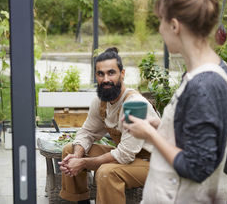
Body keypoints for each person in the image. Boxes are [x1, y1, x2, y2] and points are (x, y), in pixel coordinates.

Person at [124, 0, 227, 204]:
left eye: (160, 21)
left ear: (174, 25)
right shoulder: (211, 70)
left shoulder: (204, 85)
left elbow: (196, 167)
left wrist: (151, 135)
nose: (159, 29)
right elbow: (194, 134)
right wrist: (163, 124)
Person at [58, 47, 160, 204]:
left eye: (111, 73)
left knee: (107, 172)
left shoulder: (135, 104)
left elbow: (124, 155)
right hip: (130, 157)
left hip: (153, 164)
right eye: (101, 74)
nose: (105, 79)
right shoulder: (101, 102)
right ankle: (79, 201)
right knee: (69, 150)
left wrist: (83, 163)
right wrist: (77, 155)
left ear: (122, 74)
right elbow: (87, 132)